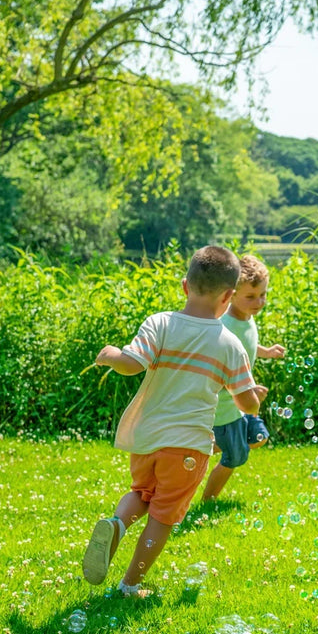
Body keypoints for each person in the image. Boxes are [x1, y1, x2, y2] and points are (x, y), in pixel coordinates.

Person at [83, 245, 261, 596]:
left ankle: (117, 525)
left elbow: (132, 364)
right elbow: (248, 404)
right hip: (188, 447)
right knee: (163, 515)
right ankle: (130, 585)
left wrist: (111, 356)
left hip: (147, 438)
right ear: (229, 297)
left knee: (143, 493)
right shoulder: (229, 343)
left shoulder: (159, 322)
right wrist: (256, 396)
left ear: (185, 286)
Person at [202, 254, 287, 501]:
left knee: (259, 437)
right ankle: (209, 500)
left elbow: (245, 348)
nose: (259, 302)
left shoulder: (247, 319)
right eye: (250, 296)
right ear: (231, 294)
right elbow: (216, 368)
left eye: (263, 294)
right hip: (227, 407)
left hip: (243, 402)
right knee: (236, 456)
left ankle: (207, 446)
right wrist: (244, 390)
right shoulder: (224, 325)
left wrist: (266, 352)